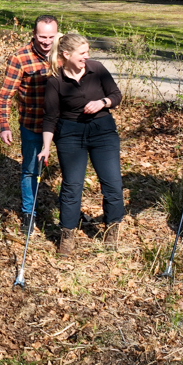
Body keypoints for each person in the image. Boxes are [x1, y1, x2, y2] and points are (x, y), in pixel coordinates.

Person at [38, 33, 124, 253]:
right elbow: (50, 118)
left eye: (88, 52)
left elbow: (116, 95)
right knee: (71, 187)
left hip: (102, 131)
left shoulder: (97, 69)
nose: (87, 56)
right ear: (66, 54)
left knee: (113, 184)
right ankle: (67, 235)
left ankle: (111, 230)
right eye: (82, 53)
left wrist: (103, 102)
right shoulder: (56, 81)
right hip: (70, 135)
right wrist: (46, 147)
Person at [0, 15, 60, 228]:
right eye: (42, 36)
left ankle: (67, 213)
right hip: (32, 124)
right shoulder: (20, 58)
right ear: (34, 34)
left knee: (71, 169)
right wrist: (4, 126)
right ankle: (28, 213)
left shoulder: (64, 52)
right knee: (31, 169)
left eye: (51, 36)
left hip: (63, 124)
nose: (47, 41)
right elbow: (5, 95)